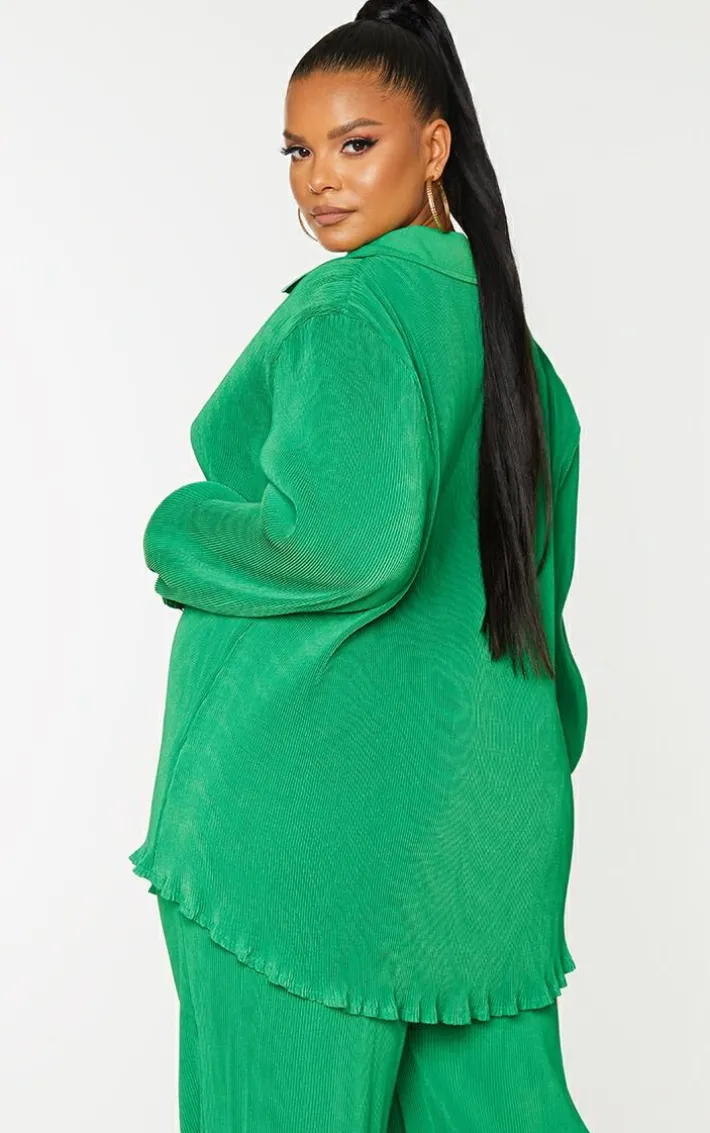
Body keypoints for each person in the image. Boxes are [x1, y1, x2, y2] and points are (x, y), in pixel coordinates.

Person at [128, 2, 590, 1129]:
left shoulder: (348, 312)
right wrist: (501, 783)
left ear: (432, 146)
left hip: (293, 843)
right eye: (298, 151)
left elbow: (343, 547)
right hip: (476, 854)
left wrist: (179, 527)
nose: (318, 180)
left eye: (354, 142)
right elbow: (542, 617)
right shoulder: (523, 360)